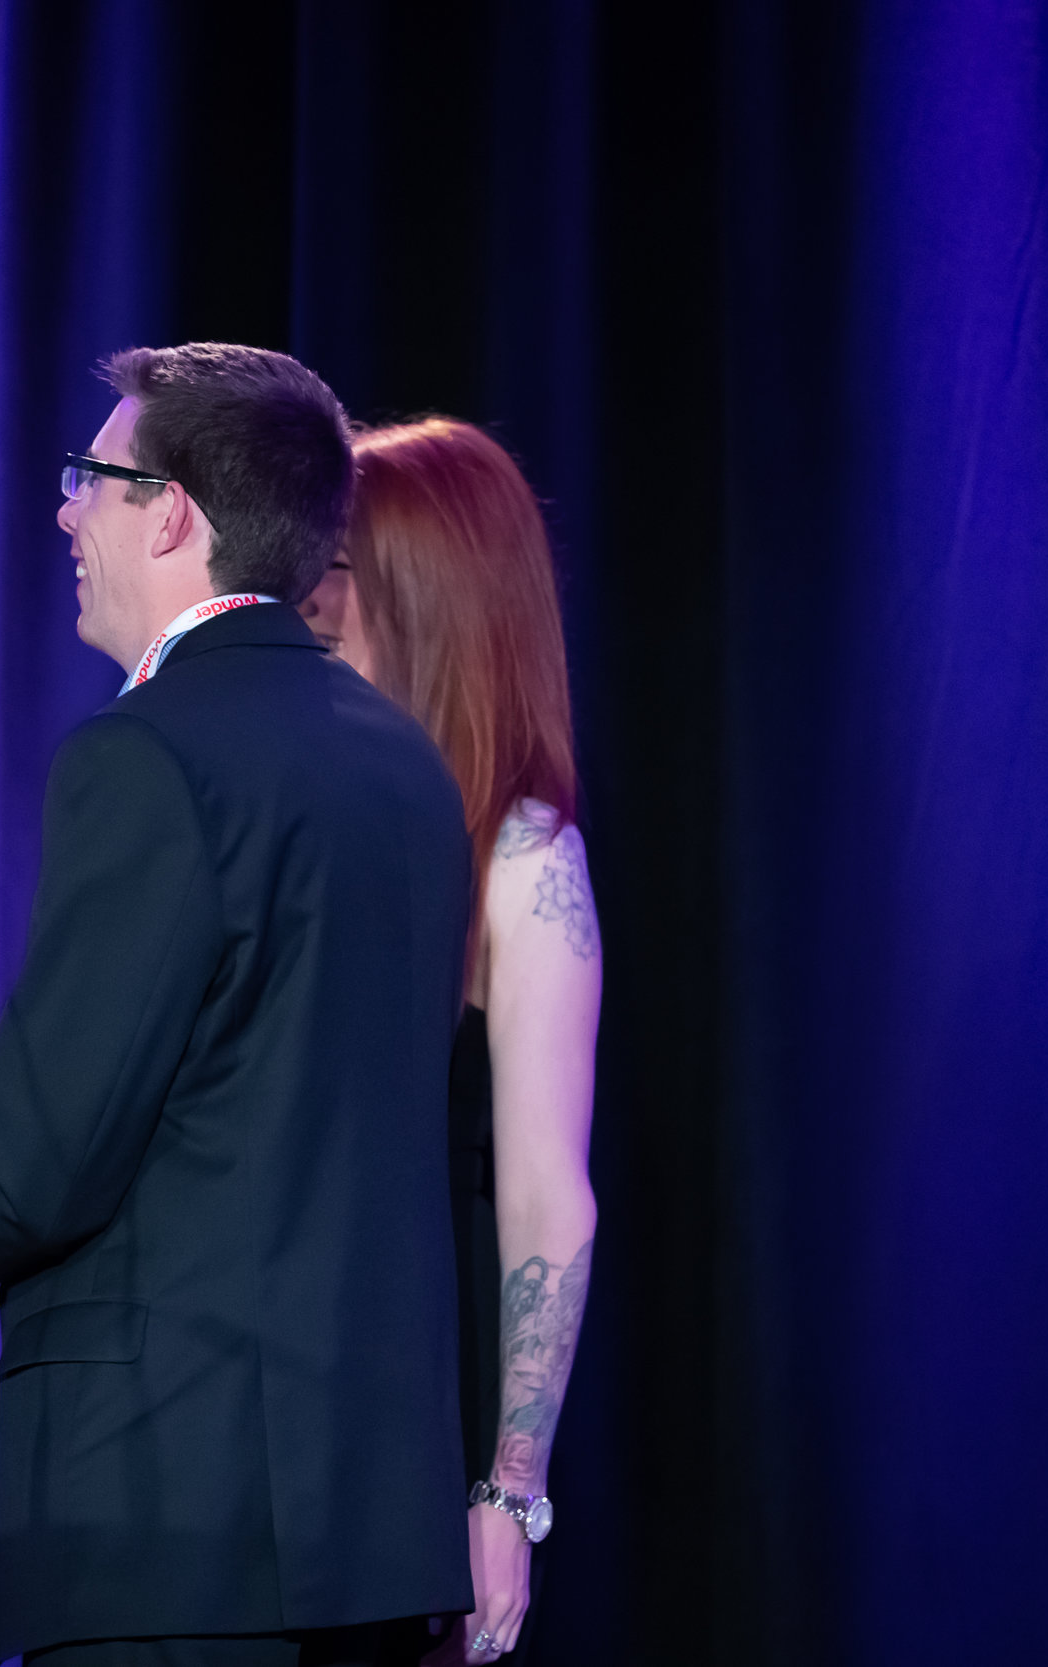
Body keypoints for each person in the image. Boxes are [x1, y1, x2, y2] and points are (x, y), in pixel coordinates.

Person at [0, 344, 475, 1666]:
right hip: (366, 1531)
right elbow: (255, 1095)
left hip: (171, 1517)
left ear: (171, 510)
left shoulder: (146, 750)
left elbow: (59, 1159)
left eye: (90, 481)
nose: (65, 511)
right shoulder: (404, 763)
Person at [298, 419, 600, 1666]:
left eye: (339, 569)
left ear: (425, 595)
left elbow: (546, 1195)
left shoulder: (521, 859)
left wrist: (507, 1489)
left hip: (403, 1417)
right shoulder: (300, 806)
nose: (306, 596)